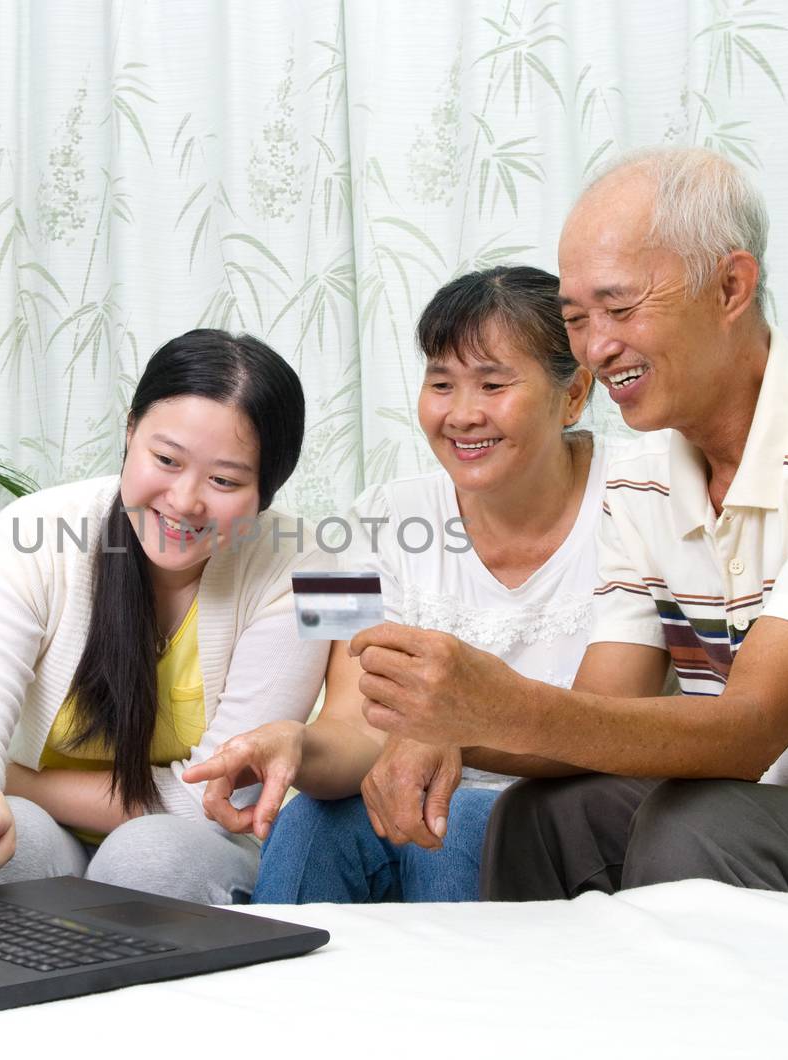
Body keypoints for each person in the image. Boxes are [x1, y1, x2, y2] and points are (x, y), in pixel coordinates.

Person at [348, 146, 788, 909]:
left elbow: (748, 732)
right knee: (539, 814)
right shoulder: (393, 515)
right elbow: (598, 710)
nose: (598, 348)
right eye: (577, 320)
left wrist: (486, 706)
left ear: (731, 286)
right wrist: (441, 729)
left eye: (619, 308)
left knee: (698, 822)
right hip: (777, 813)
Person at [185, 266, 601, 902]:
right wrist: (296, 742)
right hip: (414, 794)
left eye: (492, 383)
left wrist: (452, 736)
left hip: (574, 807)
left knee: (454, 822)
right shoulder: (364, 521)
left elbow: (616, 719)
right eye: (441, 383)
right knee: (308, 822)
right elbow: (353, 723)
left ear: (573, 395)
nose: (462, 414)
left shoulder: (636, 500)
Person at [0, 329, 329, 908]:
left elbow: (212, 795)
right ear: (130, 432)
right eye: (165, 459)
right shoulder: (26, 535)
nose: (184, 501)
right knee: (2, 843)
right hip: (36, 825)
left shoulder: (313, 567)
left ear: (268, 489)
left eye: (225, 481)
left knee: (148, 855)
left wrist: (11, 778)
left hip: (194, 842)